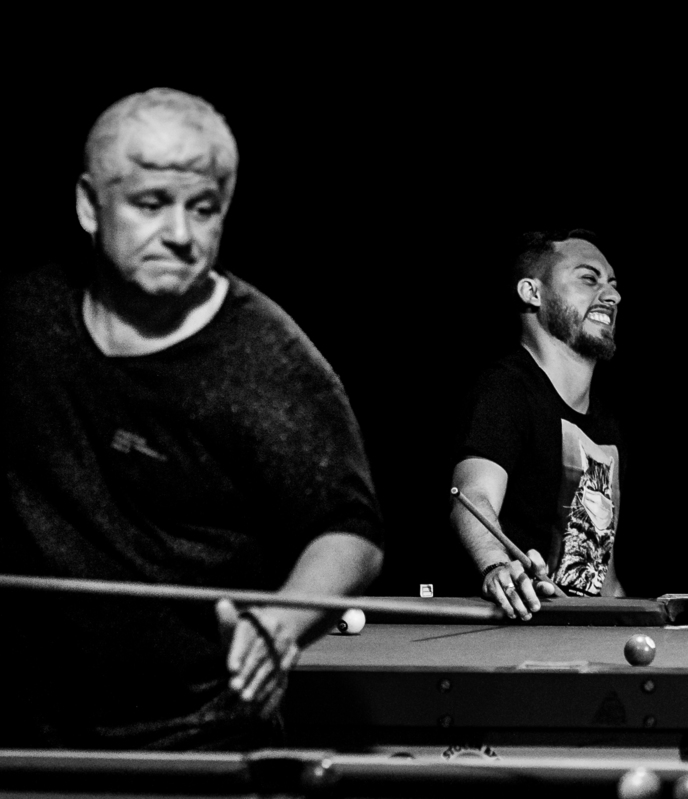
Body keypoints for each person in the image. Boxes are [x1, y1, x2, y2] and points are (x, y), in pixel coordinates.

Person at [0, 88, 384, 749]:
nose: (179, 234)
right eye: (151, 204)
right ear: (90, 205)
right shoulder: (24, 320)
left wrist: (282, 622)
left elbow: (351, 533)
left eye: (202, 209)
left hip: (197, 741)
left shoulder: (267, 360)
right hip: (28, 738)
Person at [450, 230, 625, 620]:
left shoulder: (606, 426)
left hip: (584, 638)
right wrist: (497, 564)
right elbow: (472, 497)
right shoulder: (506, 392)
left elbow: (602, 572)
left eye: (613, 284)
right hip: (511, 637)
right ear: (532, 292)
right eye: (589, 278)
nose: (612, 295)